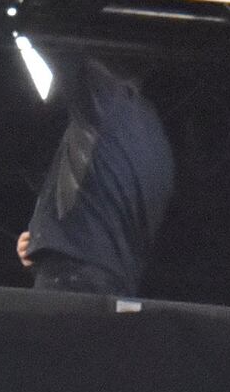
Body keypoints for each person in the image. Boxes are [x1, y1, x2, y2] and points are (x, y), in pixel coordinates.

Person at [14, 54, 172, 298]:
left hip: (74, 277)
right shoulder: (152, 127)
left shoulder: (105, 99)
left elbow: (60, 45)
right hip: (114, 284)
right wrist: (44, 240)